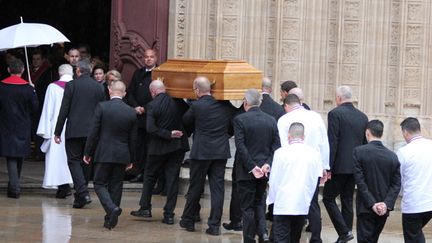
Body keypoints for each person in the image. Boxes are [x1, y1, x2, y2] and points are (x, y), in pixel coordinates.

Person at [179, 76, 236, 235]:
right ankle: (214, 225)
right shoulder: (226, 105)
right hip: (220, 151)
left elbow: (185, 121)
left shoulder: (197, 106)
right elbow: (232, 125)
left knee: (195, 186)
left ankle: (189, 220)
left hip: (201, 152)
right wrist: (224, 135)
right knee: (217, 189)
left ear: (197, 90)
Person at [130, 80, 189, 224]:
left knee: (149, 176)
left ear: (153, 92)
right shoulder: (179, 102)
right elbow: (188, 118)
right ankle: (169, 214)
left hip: (158, 148)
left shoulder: (152, 105)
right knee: (173, 179)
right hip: (177, 147)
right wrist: (180, 132)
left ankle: (145, 208)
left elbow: (151, 128)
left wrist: (168, 134)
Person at [83, 81, 137, 230]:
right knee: (116, 185)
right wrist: (131, 159)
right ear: (124, 93)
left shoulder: (102, 107)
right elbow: (133, 139)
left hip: (104, 152)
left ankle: (111, 208)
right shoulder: (131, 111)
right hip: (122, 154)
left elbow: (93, 132)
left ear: (109, 90)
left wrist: (88, 152)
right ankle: (110, 219)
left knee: (99, 183)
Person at [277, 93, 329, 242]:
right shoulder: (316, 116)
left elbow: (283, 145)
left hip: (292, 166)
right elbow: (324, 142)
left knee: (290, 200)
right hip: (313, 165)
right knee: (312, 202)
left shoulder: (284, 120)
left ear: (286, 105)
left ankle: (289, 235)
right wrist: (325, 166)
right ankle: (316, 237)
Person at [54, 58, 106, 209]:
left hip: (74, 130)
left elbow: (64, 109)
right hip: (92, 131)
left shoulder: (71, 85)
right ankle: (80, 196)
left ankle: (82, 192)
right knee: (87, 160)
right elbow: (102, 110)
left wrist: (57, 131)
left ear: (78, 71)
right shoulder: (98, 87)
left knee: (73, 161)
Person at [233, 89, 280, 243]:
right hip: (264, 171)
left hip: (247, 171)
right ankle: (263, 234)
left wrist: (253, 167)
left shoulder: (240, 119)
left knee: (247, 208)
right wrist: (267, 164)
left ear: (246, 102)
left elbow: (241, 147)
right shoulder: (271, 120)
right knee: (259, 203)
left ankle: (248, 239)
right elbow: (276, 146)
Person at [323, 86, 368, 243]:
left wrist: (328, 167)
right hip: (355, 166)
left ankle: (344, 232)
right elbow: (364, 144)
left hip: (339, 166)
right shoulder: (362, 117)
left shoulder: (335, 114)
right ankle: (346, 233)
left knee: (328, 198)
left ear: (339, 98)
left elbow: (333, 141)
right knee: (347, 199)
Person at [267, 122, 322, 243]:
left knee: (281, 237)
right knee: (295, 237)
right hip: (302, 201)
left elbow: (274, 179)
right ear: (303, 136)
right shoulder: (314, 154)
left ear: (288, 136)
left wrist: (272, 199)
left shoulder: (280, 153)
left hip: (283, 201)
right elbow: (315, 180)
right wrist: (308, 198)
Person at [353, 120, 401, 243]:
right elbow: (396, 184)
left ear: (367, 133)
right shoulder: (392, 156)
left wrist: (372, 203)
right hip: (383, 209)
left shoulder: (359, 152)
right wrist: (386, 204)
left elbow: (360, 181)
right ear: (381, 133)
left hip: (365, 207)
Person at [0, 58, 38, 198]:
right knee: (18, 154)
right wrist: (33, 90)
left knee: (11, 155)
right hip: (23, 125)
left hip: (6, 125)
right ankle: (14, 186)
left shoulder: (1, 87)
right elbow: (35, 108)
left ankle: (14, 186)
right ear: (22, 70)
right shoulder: (28, 88)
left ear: (9, 70)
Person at [37, 64, 74, 198]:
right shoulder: (77, 86)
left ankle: (62, 186)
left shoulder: (53, 87)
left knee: (57, 158)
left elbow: (48, 110)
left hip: (56, 128)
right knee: (71, 157)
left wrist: (45, 130)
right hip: (73, 127)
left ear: (59, 74)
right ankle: (69, 185)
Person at [397, 117, 432, 243]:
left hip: (413, 204)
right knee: (416, 234)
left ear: (405, 132)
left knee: (413, 237)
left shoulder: (404, 151)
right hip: (430, 202)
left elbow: (398, 179)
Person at [127, 48, 158, 183]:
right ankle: (138, 172)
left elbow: (160, 95)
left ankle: (149, 175)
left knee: (150, 147)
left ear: (156, 58)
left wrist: (146, 108)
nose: (148, 59)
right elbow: (130, 92)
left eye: (151, 57)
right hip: (138, 117)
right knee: (138, 146)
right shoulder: (138, 73)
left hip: (152, 117)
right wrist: (136, 107)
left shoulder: (160, 73)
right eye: (146, 57)